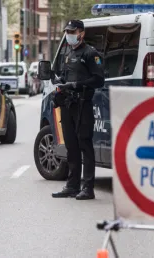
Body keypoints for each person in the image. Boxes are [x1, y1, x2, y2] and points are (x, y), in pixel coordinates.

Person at [51, 20, 105, 200]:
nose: (69, 34)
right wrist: (60, 85)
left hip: (83, 104)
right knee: (71, 146)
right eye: (67, 31)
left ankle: (88, 188)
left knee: (85, 145)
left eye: (72, 31)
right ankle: (72, 185)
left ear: (81, 33)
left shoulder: (91, 54)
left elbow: (99, 80)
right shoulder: (68, 53)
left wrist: (78, 85)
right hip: (68, 105)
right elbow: (65, 77)